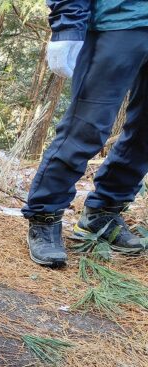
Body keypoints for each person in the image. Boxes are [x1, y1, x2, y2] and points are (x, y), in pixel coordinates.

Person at [23, 0, 148, 267]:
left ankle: (104, 211)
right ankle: (44, 214)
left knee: (145, 135)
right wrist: (67, 26)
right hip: (116, 22)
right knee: (88, 127)